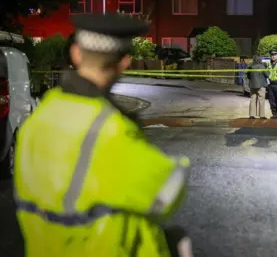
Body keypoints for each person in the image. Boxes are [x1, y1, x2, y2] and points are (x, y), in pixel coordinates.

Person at [13, 13, 192, 257]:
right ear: (125, 62)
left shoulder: (39, 118)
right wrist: (179, 166)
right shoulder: (109, 129)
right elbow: (165, 194)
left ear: (76, 53)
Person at [247, 55, 269, 119]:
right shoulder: (263, 66)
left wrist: (252, 79)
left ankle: (252, 115)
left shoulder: (250, 66)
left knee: (252, 100)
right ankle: (262, 115)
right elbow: (267, 75)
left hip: (252, 85)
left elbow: (248, 75)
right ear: (260, 59)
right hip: (261, 85)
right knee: (261, 100)